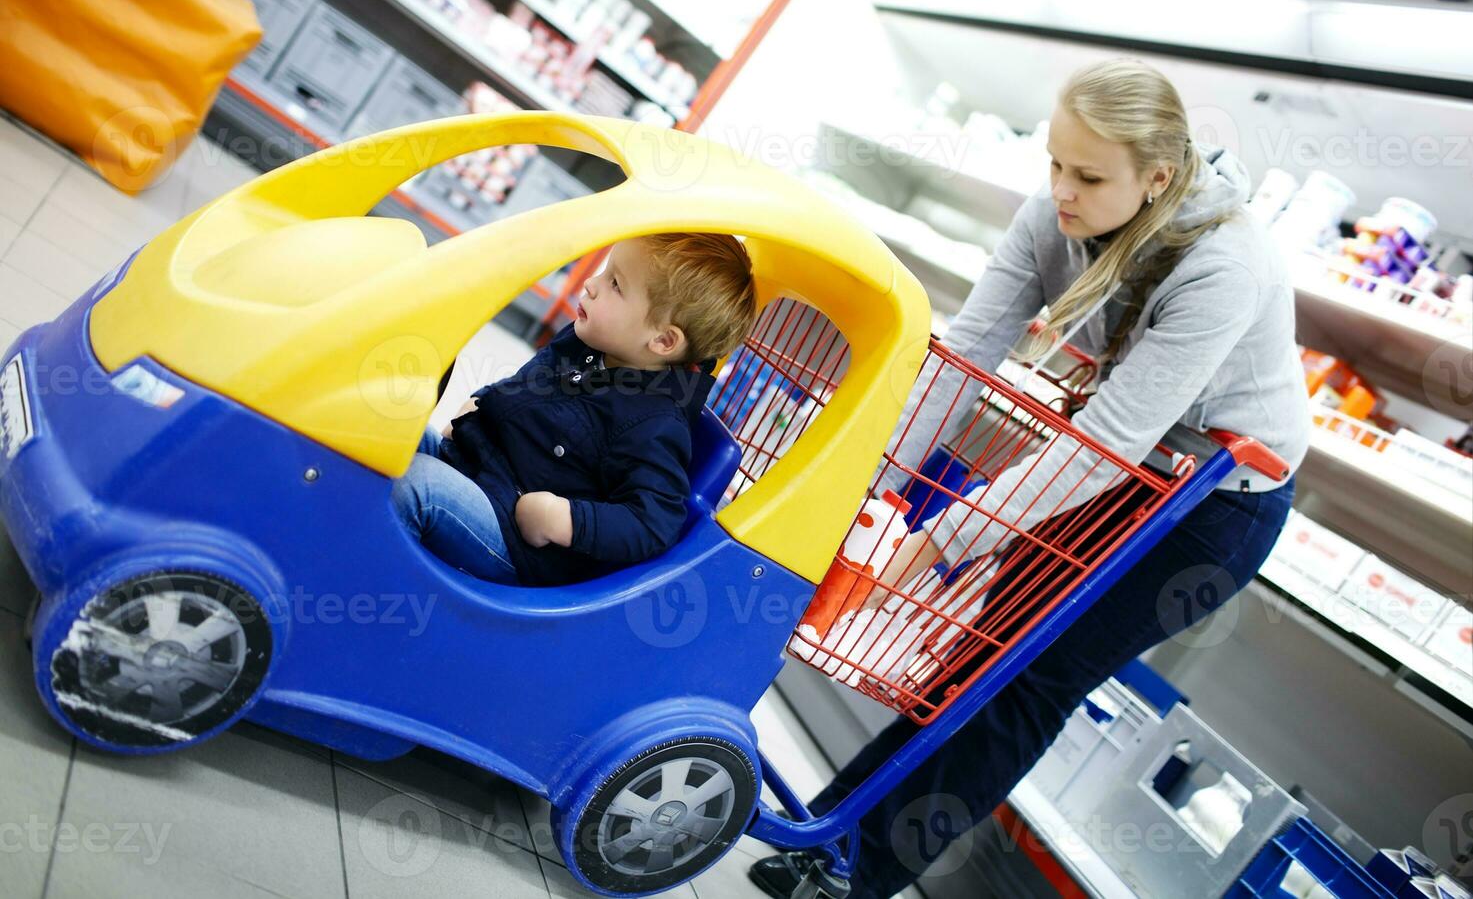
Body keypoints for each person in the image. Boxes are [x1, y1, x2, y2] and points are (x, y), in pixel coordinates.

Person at [749, 58, 1310, 898]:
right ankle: (830, 840)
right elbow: (966, 355)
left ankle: (855, 876)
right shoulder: (1054, 216)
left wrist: (937, 542)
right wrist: (870, 491)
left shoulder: (1224, 266)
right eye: (1053, 162)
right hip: (1118, 468)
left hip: (1212, 506)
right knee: (973, 663)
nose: (1060, 190)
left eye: (1086, 175)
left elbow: (1104, 442)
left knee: (1028, 679)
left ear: (1156, 179)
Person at [392, 231, 757, 587]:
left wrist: (565, 518)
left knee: (416, 485)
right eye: (605, 271)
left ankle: (358, 591)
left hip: (513, 540)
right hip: (476, 469)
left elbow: (653, 523)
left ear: (662, 340)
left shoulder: (654, 423)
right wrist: (481, 405)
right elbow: (523, 394)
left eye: (615, 284)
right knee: (384, 435)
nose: (592, 285)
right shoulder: (583, 348)